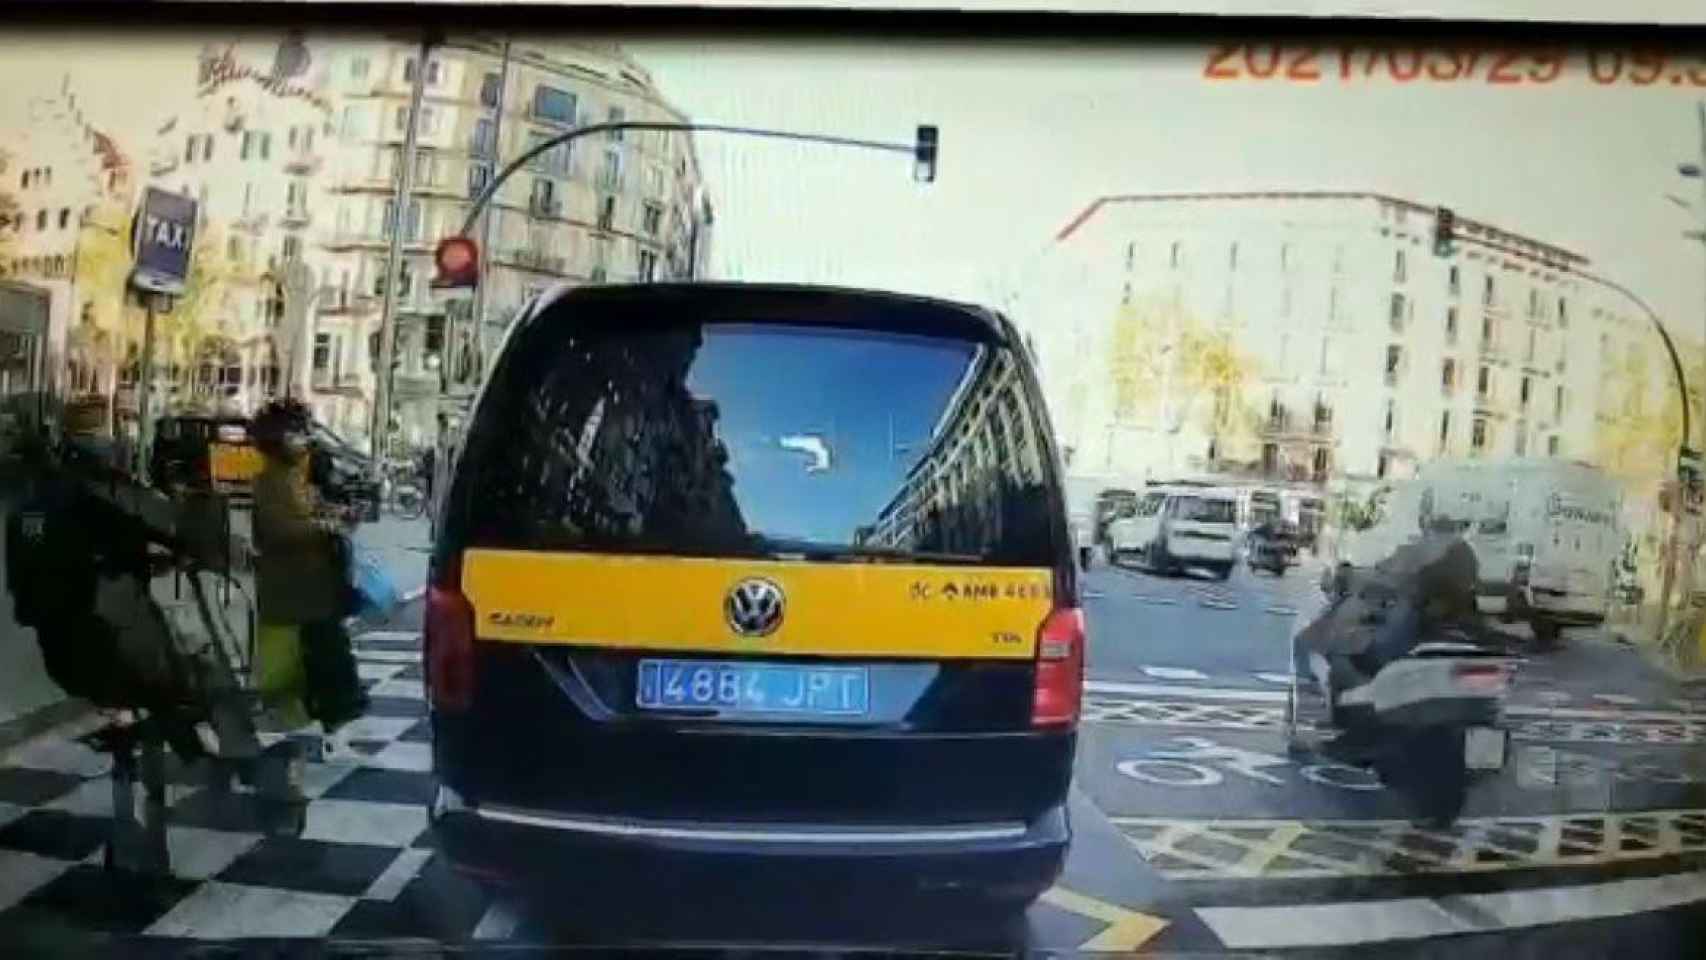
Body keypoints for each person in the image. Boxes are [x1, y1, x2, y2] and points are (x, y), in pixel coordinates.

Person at [250, 400, 367, 758]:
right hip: (296, 593)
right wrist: (326, 527)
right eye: (296, 433)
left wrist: (335, 514)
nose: (303, 440)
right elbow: (278, 529)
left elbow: (308, 509)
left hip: (311, 590)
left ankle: (333, 732)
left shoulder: (291, 477)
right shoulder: (270, 480)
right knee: (322, 663)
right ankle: (303, 735)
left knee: (328, 662)